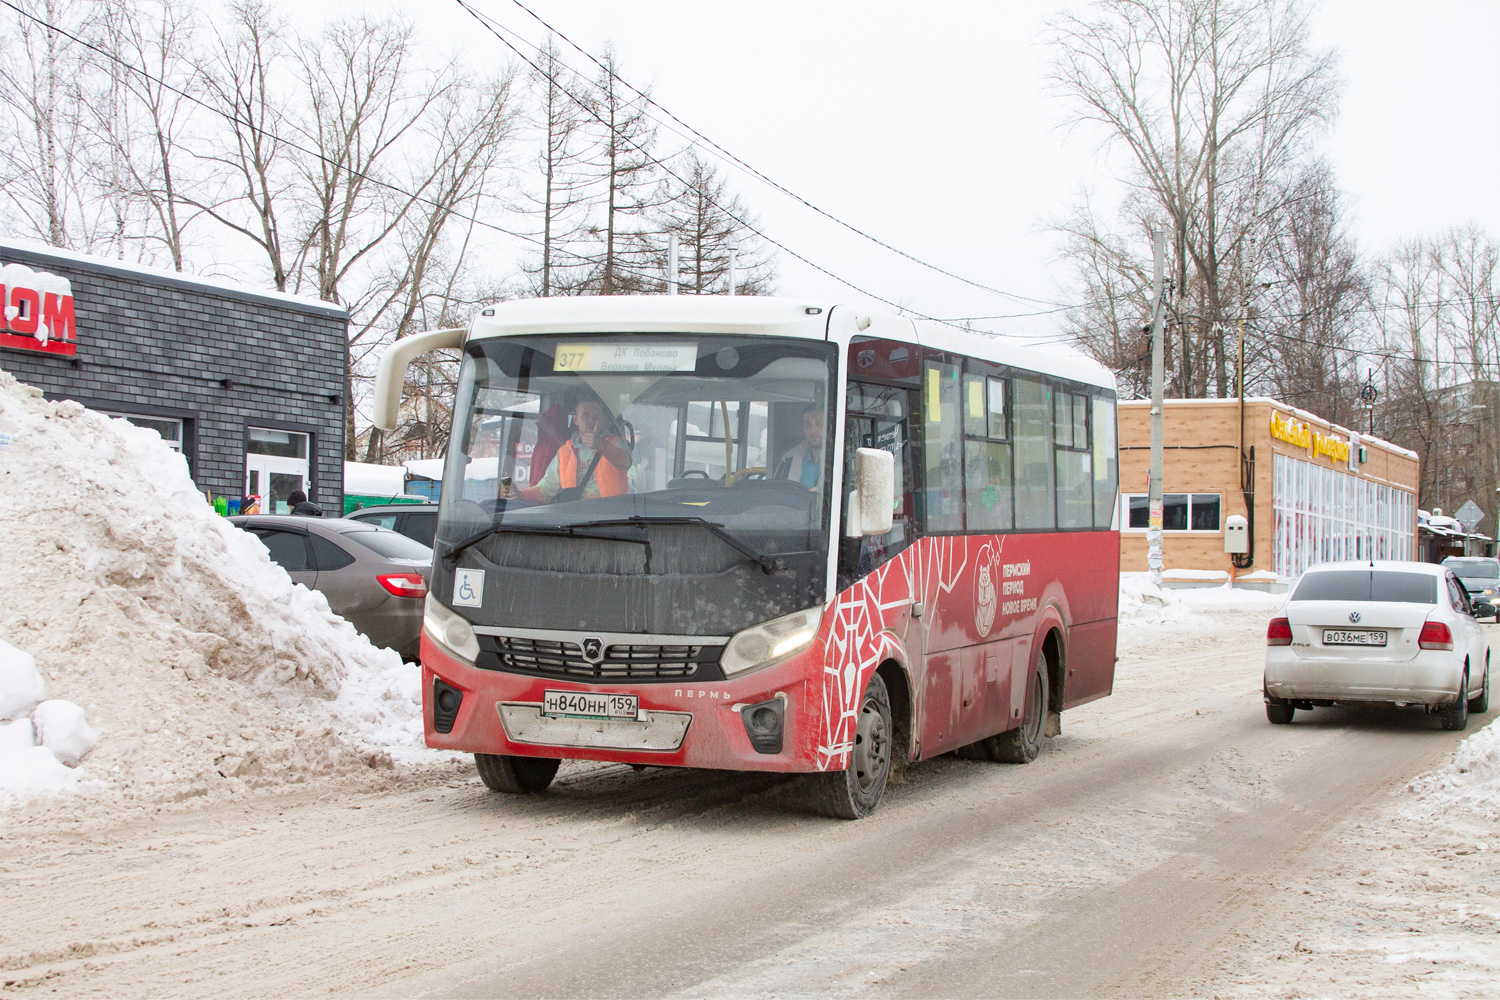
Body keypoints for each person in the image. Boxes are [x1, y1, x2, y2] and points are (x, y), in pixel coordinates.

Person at [505, 392, 631, 503]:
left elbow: (626, 462)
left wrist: (601, 445)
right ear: (576, 420)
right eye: (585, 415)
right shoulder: (564, 452)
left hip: (610, 517)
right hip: (571, 518)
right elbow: (544, 490)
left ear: (602, 420)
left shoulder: (617, 444)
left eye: (596, 416)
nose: (591, 420)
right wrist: (520, 495)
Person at [774, 403, 825, 489]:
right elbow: (777, 493)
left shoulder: (839, 462)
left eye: (818, 423)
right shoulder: (789, 460)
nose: (813, 430)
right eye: (808, 425)